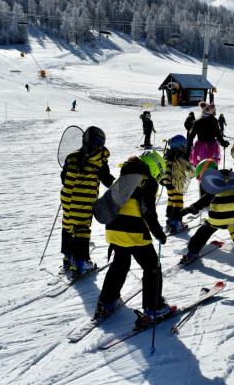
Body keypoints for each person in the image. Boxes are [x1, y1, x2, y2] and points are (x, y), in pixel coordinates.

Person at [94, 152, 172, 324]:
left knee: (120, 264)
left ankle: (107, 301)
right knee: (152, 266)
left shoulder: (121, 179)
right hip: (134, 231)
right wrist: (158, 231)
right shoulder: (147, 181)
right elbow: (147, 210)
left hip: (113, 229)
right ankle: (154, 308)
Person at [60, 126, 115, 276]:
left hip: (67, 198)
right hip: (83, 200)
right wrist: (119, 186)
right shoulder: (99, 158)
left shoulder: (72, 156)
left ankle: (68, 258)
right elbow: (106, 179)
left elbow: (63, 177)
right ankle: (80, 263)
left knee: (68, 224)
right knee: (82, 228)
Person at [161, 135, 196, 233]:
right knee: (178, 202)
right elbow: (191, 170)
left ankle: (169, 221)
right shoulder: (180, 157)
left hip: (168, 183)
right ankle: (176, 224)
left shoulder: (167, 155)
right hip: (178, 184)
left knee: (171, 200)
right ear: (181, 146)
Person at [187, 102, 229, 166]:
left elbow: (191, 137)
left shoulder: (197, 122)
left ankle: (201, 175)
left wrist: (188, 151)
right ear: (210, 112)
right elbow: (218, 134)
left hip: (200, 147)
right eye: (214, 112)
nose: (215, 114)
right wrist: (223, 143)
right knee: (211, 164)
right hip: (212, 146)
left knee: (201, 165)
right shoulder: (214, 121)